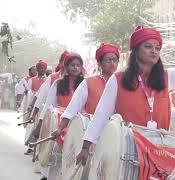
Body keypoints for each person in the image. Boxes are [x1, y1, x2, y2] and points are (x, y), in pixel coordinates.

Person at [76, 25, 175, 165]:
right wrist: (86, 147)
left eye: (157, 48)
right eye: (148, 46)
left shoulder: (166, 77)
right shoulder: (118, 79)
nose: (154, 51)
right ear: (136, 50)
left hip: (160, 152)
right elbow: (101, 115)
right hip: (128, 154)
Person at [32, 52, 84, 180]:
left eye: (78, 65)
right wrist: (40, 125)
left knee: (73, 162)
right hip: (59, 125)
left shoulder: (86, 84)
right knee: (57, 159)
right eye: (72, 65)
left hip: (79, 126)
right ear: (66, 66)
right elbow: (48, 107)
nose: (75, 68)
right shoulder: (58, 84)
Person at [52, 43, 120, 137]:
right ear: (99, 63)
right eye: (108, 60)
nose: (112, 63)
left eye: (115, 60)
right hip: (91, 131)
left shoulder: (125, 82)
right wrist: (60, 128)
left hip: (117, 134)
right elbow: (73, 108)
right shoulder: (88, 82)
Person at [29, 51, 68, 122]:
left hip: (70, 118)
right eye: (65, 61)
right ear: (60, 62)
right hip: (52, 116)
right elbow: (40, 97)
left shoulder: (78, 80)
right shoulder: (52, 77)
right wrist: (34, 114)